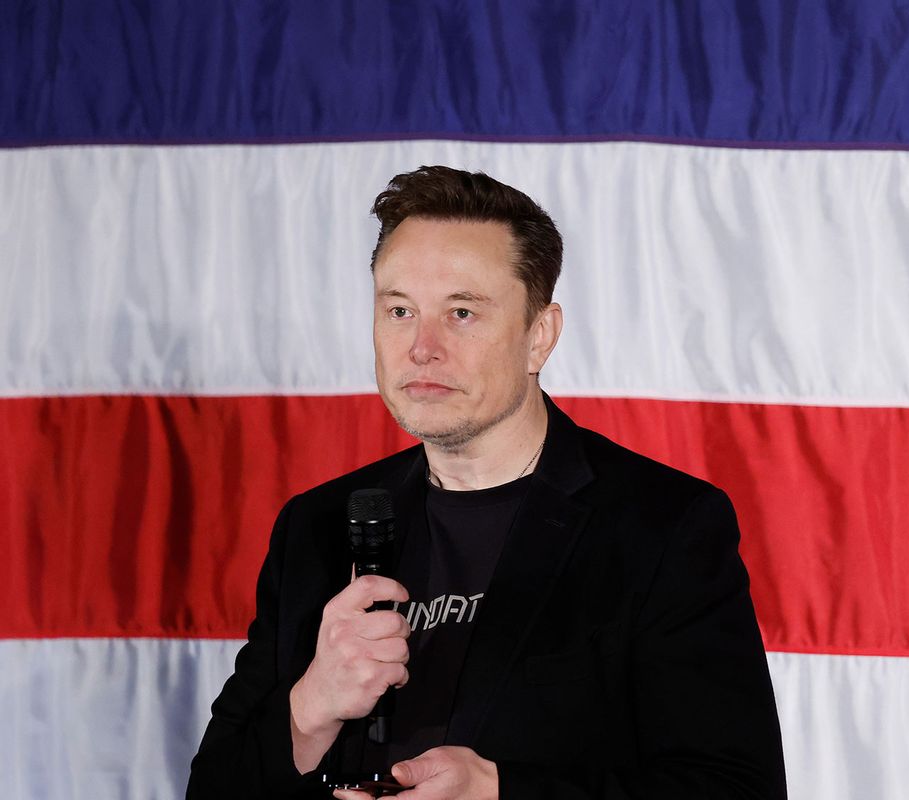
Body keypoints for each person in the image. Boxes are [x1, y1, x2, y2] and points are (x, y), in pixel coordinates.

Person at [188, 166, 787, 799]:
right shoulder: (317, 526)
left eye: (463, 313)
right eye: (399, 310)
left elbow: (736, 789)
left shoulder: (661, 526)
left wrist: (500, 793)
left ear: (540, 336)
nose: (422, 347)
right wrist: (309, 709)